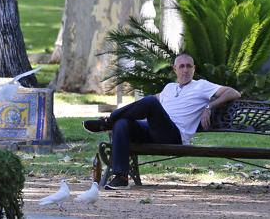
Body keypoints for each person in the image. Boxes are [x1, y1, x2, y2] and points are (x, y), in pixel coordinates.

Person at [84, 53, 241, 188]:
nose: (185, 70)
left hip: (174, 136)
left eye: (189, 66)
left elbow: (233, 93)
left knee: (150, 102)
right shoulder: (169, 88)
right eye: (181, 67)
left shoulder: (202, 86)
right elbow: (145, 105)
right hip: (154, 131)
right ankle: (121, 177)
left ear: (194, 69)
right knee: (123, 123)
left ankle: (107, 121)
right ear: (175, 70)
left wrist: (209, 106)